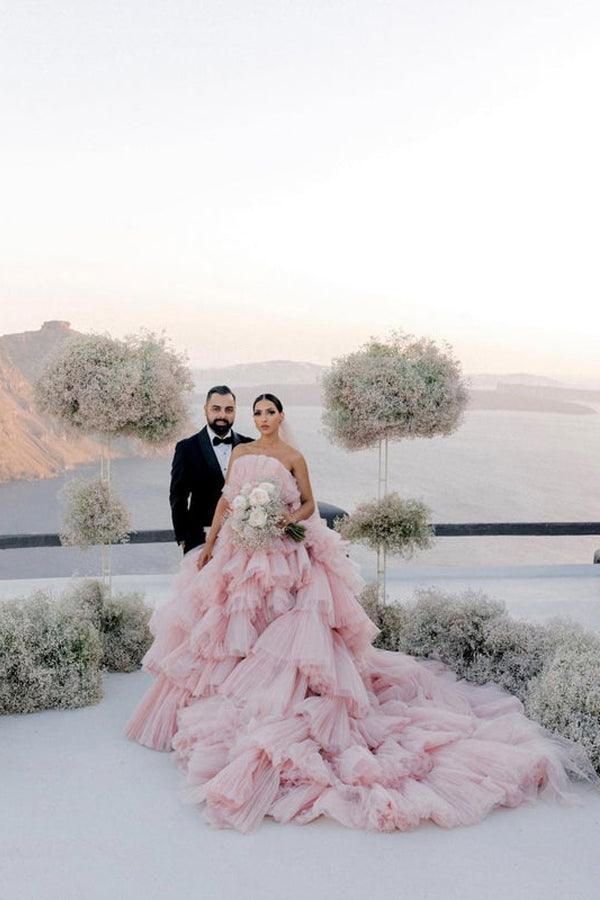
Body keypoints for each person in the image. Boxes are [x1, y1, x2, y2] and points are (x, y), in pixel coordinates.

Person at [126, 392, 598, 833]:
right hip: (237, 553)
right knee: (228, 628)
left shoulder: (293, 457)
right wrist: (209, 549)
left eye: (270, 412)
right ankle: (222, 697)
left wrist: (280, 520)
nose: (264, 419)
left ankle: (279, 698)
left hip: (280, 555)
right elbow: (227, 504)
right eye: (258, 413)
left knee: (286, 631)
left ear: (281, 418)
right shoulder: (243, 455)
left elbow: (309, 502)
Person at [169, 385, 253, 555]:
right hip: (200, 541)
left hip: (243, 542)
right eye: (216, 409)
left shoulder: (250, 446)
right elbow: (178, 496)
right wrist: (184, 539)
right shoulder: (186, 448)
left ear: (235, 411)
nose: (222, 415)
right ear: (205, 409)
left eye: (229, 410)